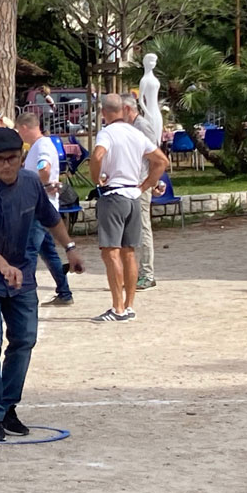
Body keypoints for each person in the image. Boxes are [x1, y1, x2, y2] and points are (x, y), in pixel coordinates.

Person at [0, 127, 85, 441]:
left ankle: (7, 406)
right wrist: (3, 266)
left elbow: (50, 217)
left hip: (21, 274)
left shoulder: (31, 183)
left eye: (12, 158)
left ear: (22, 157)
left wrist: (70, 248)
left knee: (25, 339)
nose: (6, 165)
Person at [89, 93, 168, 322]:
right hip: (133, 194)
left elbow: (98, 154)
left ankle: (117, 307)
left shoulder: (106, 133)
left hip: (114, 194)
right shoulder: (135, 133)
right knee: (129, 252)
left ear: (104, 113)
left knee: (110, 252)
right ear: (123, 110)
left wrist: (97, 178)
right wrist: (145, 185)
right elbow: (161, 160)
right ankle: (129, 305)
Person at [15, 112, 74, 306]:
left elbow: (45, 169)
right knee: (47, 251)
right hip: (42, 204)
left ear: (24, 128)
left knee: (29, 251)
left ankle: (26, 294)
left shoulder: (41, 146)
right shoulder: (38, 146)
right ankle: (64, 292)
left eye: (19, 130)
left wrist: (39, 186)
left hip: (40, 206)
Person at [122, 94, 161, 292]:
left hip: (141, 184)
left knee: (144, 228)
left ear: (128, 109)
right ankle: (134, 272)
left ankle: (147, 274)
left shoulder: (142, 126)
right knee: (132, 230)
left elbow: (156, 157)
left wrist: (152, 183)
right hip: (131, 184)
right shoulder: (130, 127)